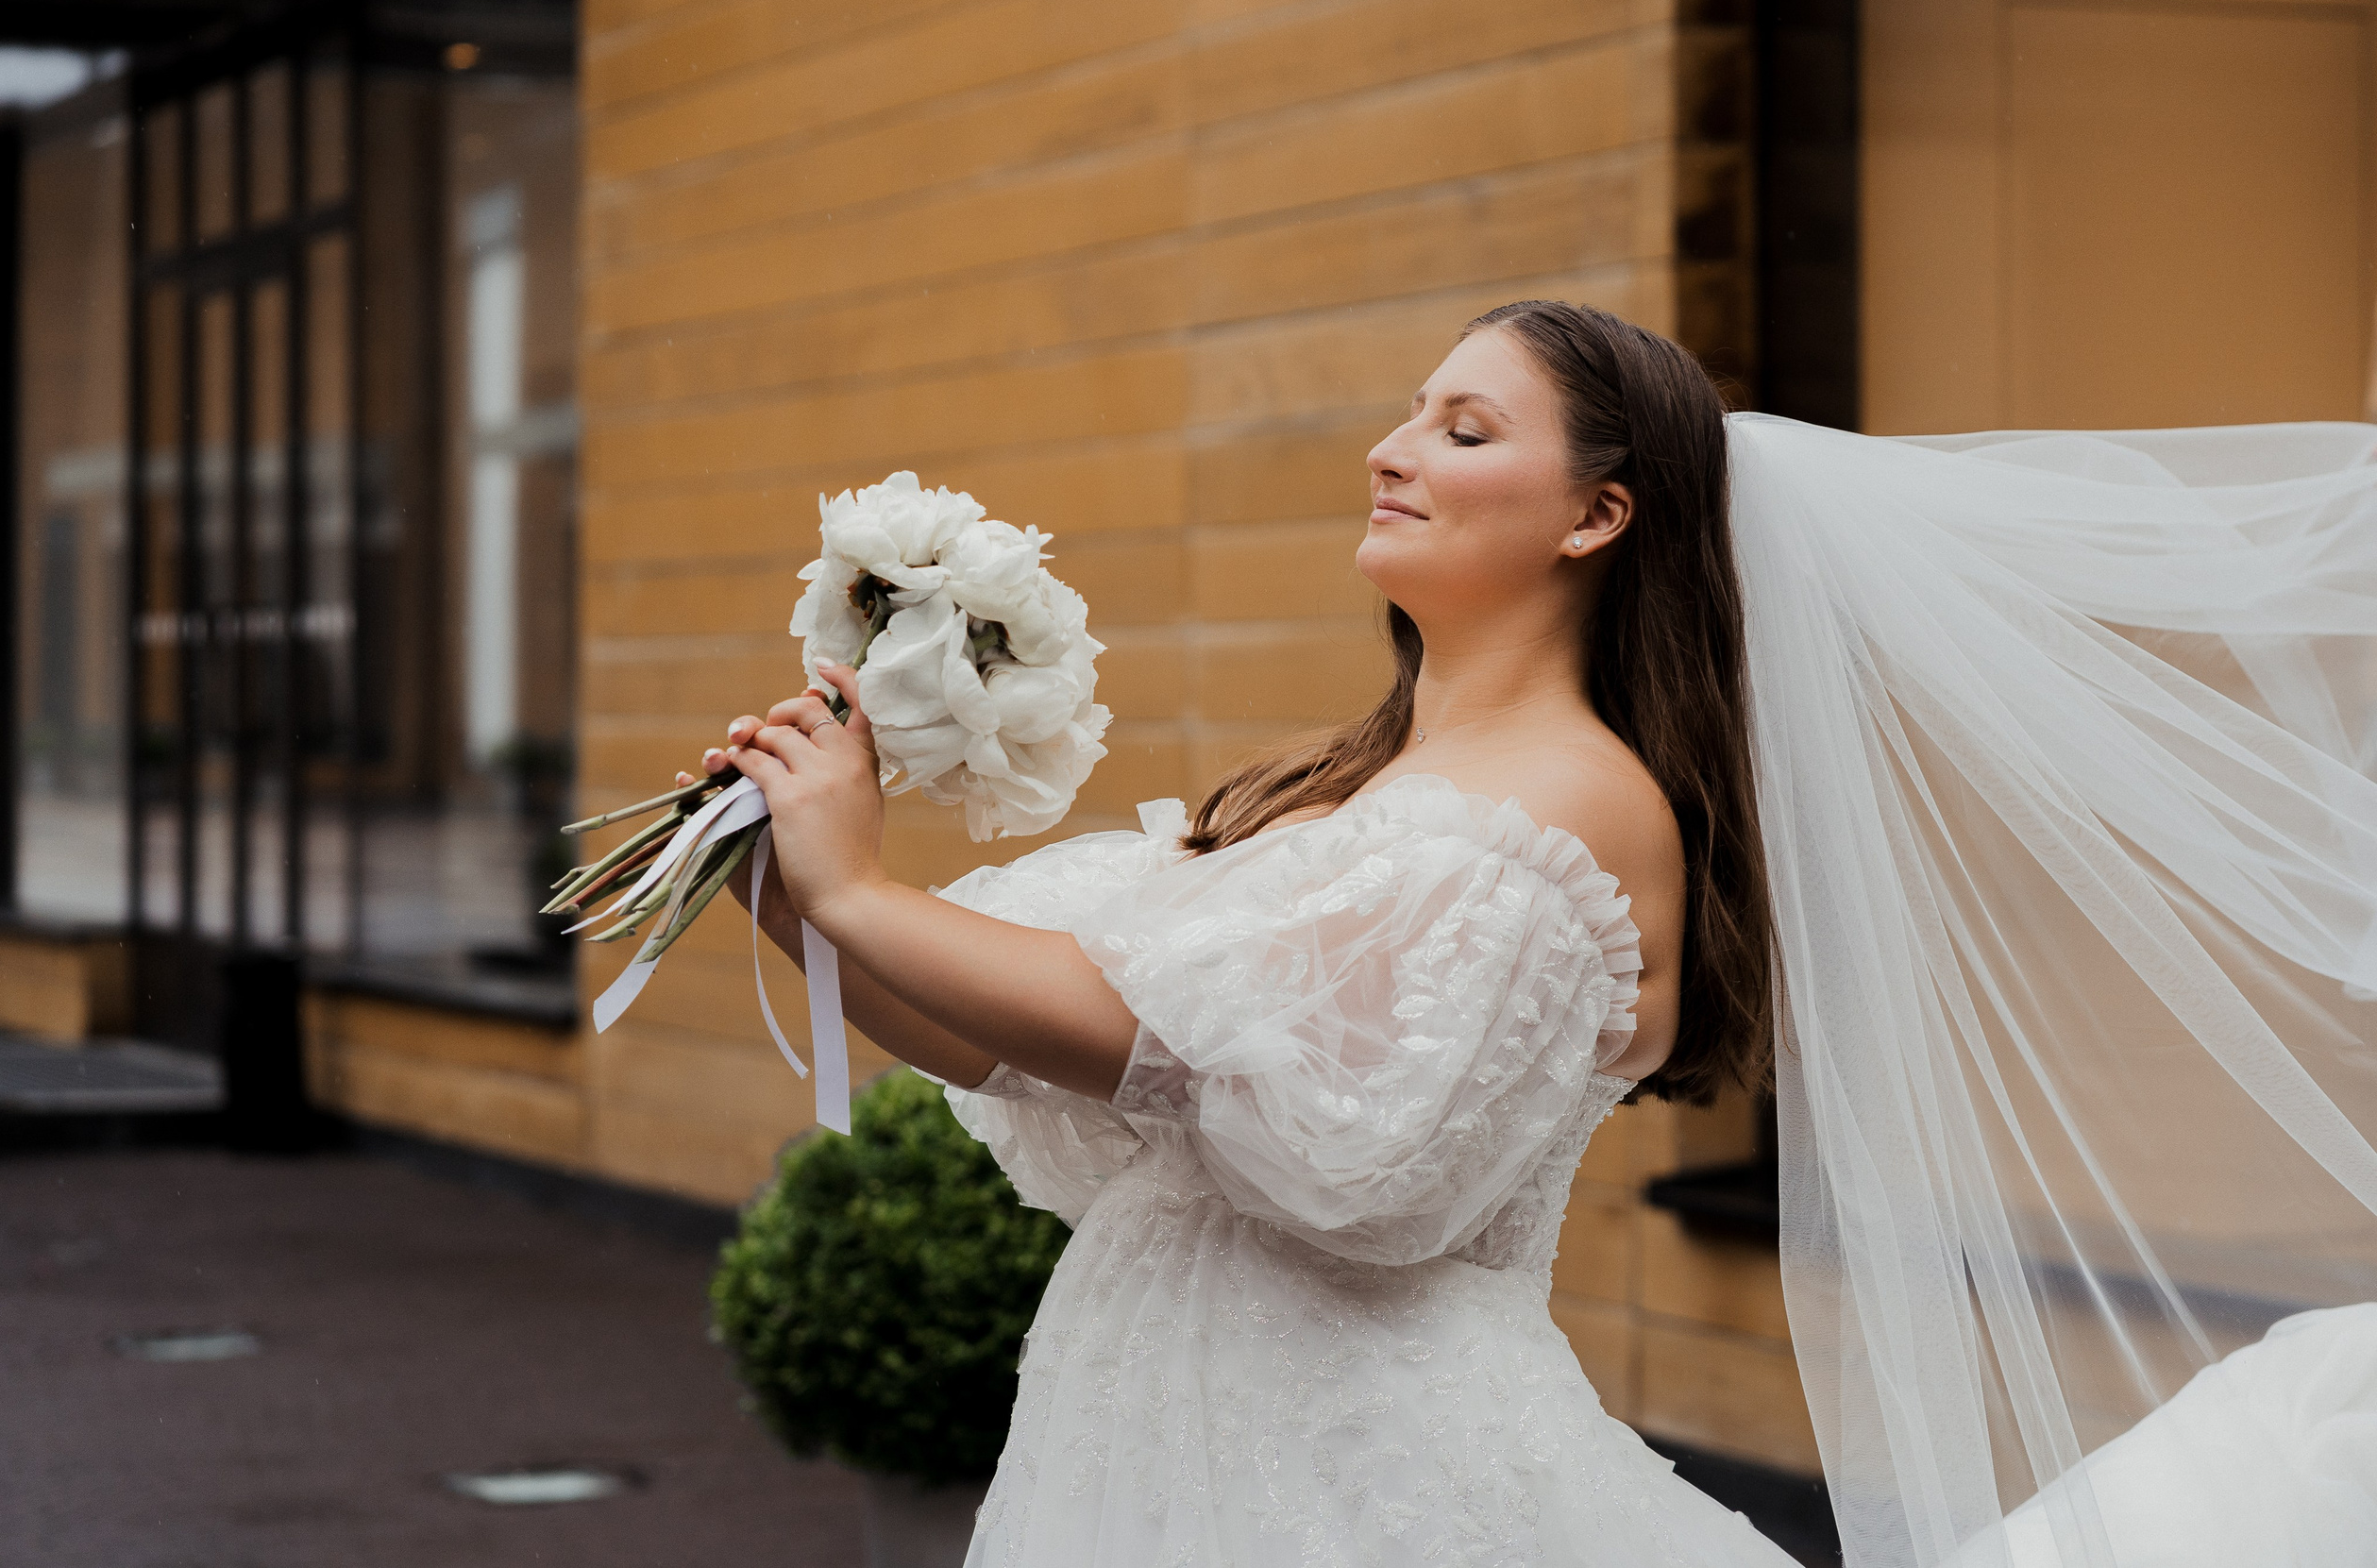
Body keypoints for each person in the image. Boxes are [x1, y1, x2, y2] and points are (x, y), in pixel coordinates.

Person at [682, 302, 2377, 1567]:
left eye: (1465, 430)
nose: (1395, 448)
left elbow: (1238, 1094)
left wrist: (863, 891)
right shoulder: (1343, 786)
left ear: (1599, 515)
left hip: (1363, 1481)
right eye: (1412, 415)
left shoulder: (1574, 805)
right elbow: (1032, 1045)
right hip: (1159, 1424)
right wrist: (789, 888)